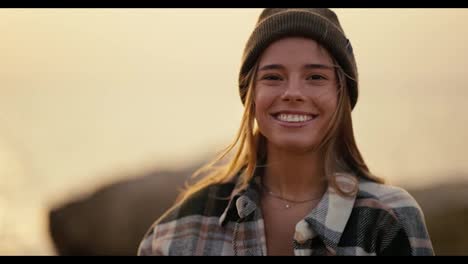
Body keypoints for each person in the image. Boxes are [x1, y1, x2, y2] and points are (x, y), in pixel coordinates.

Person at [137, 8, 434, 256]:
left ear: (341, 95)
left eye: (315, 76)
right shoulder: (177, 231)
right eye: (273, 77)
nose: (293, 92)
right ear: (252, 95)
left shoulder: (390, 219)